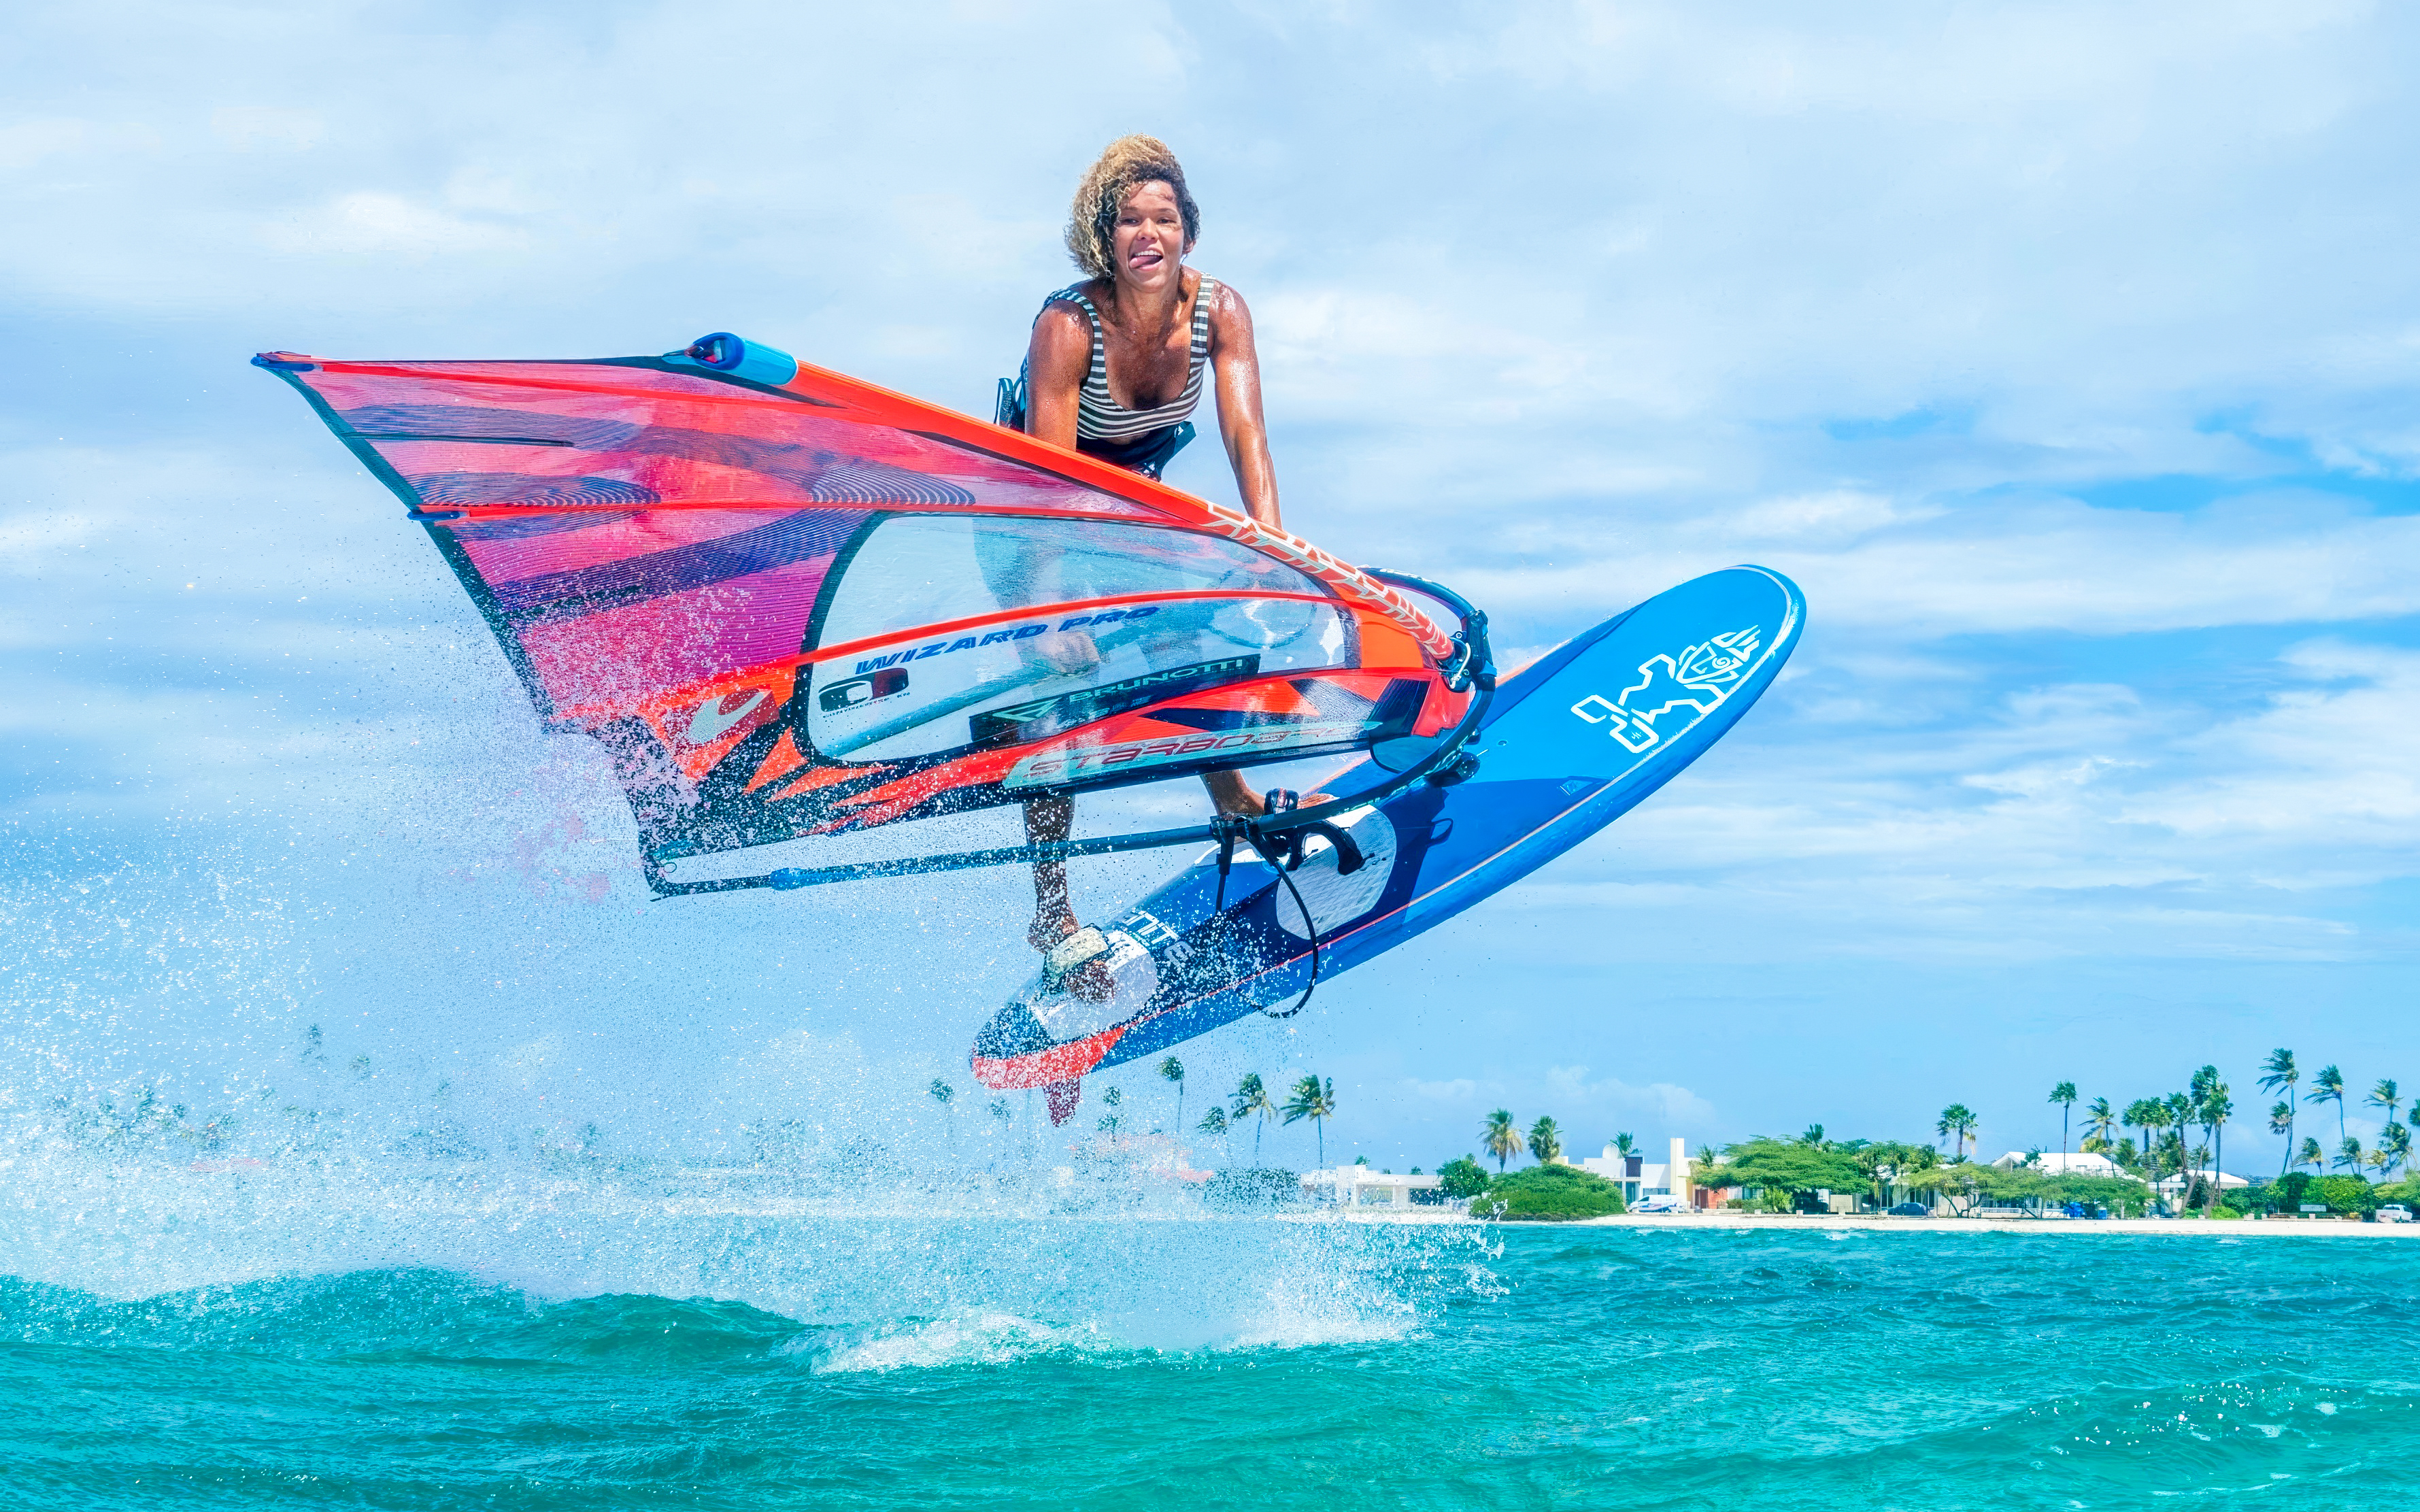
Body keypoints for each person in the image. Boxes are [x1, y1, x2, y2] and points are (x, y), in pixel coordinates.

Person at [1007, 135, 1323, 976]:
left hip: (1130, 505)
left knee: (1187, 642)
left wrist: (1276, 551)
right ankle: (1052, 912)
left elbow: (1247, 436)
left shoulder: (1221, 310)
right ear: (1103, 237)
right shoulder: (1066, 327)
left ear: (1188, 230)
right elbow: (1051, 487)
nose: (1148, 235)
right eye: (1129, 221)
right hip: (1030, 514)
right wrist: (1050, 614)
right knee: (1057, 697)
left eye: (1165, 219)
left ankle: (1234, 801)